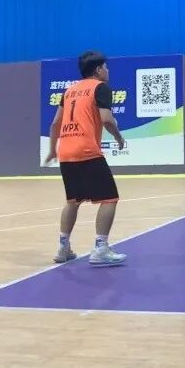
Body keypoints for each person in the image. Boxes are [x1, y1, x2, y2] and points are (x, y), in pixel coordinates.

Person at [45, 51, 128, 266]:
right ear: (98, 70)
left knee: (73, 201)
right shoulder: (100, 88)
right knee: (110, 198)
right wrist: (119, 137)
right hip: (87, 150)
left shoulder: (69, 91)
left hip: (66, 152)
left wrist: (52, 150)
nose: (108, 71)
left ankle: (63, 247)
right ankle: (101, 248)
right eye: (106, 67)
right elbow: (106, 119)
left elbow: (54, 124)